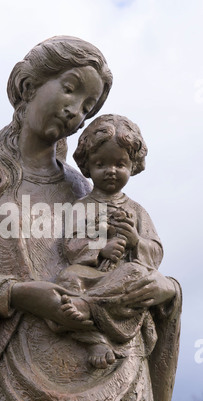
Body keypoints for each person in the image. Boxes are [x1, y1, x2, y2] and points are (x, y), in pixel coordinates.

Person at [0, 37, 181, 401]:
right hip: (20, 389)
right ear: (28, 85)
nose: (76, 112)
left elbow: (134, 268)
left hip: (117, 382)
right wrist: (23, 294)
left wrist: (168, 290)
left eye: (87, 107)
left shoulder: (92, 190)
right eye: (70, 89)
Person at [56, 114, 164, 369]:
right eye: (101, 164)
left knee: (136, 273)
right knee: (69, 278)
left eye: (120, 164)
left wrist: (136, 242)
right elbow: (70, 245)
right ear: (88, 165)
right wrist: (100, 248)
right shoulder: (80, 208)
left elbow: (155, 252)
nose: (111, 171)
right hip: (93, 276)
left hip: (123, 280)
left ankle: (89, 306)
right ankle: (95, 338)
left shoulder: (137, 211)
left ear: (133, 166)